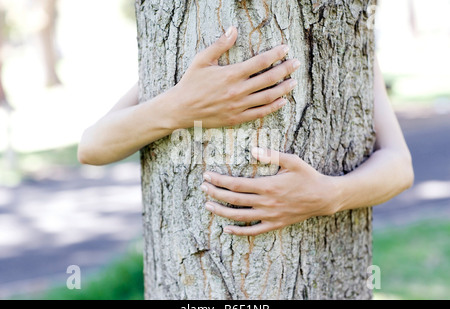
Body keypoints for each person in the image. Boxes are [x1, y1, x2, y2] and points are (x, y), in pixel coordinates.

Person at [78, 26, 414, 236]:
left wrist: (328, 195)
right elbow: (92, 147)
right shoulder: (193, 35)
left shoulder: (339, 28)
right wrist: (177, 108)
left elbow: (400, 166)